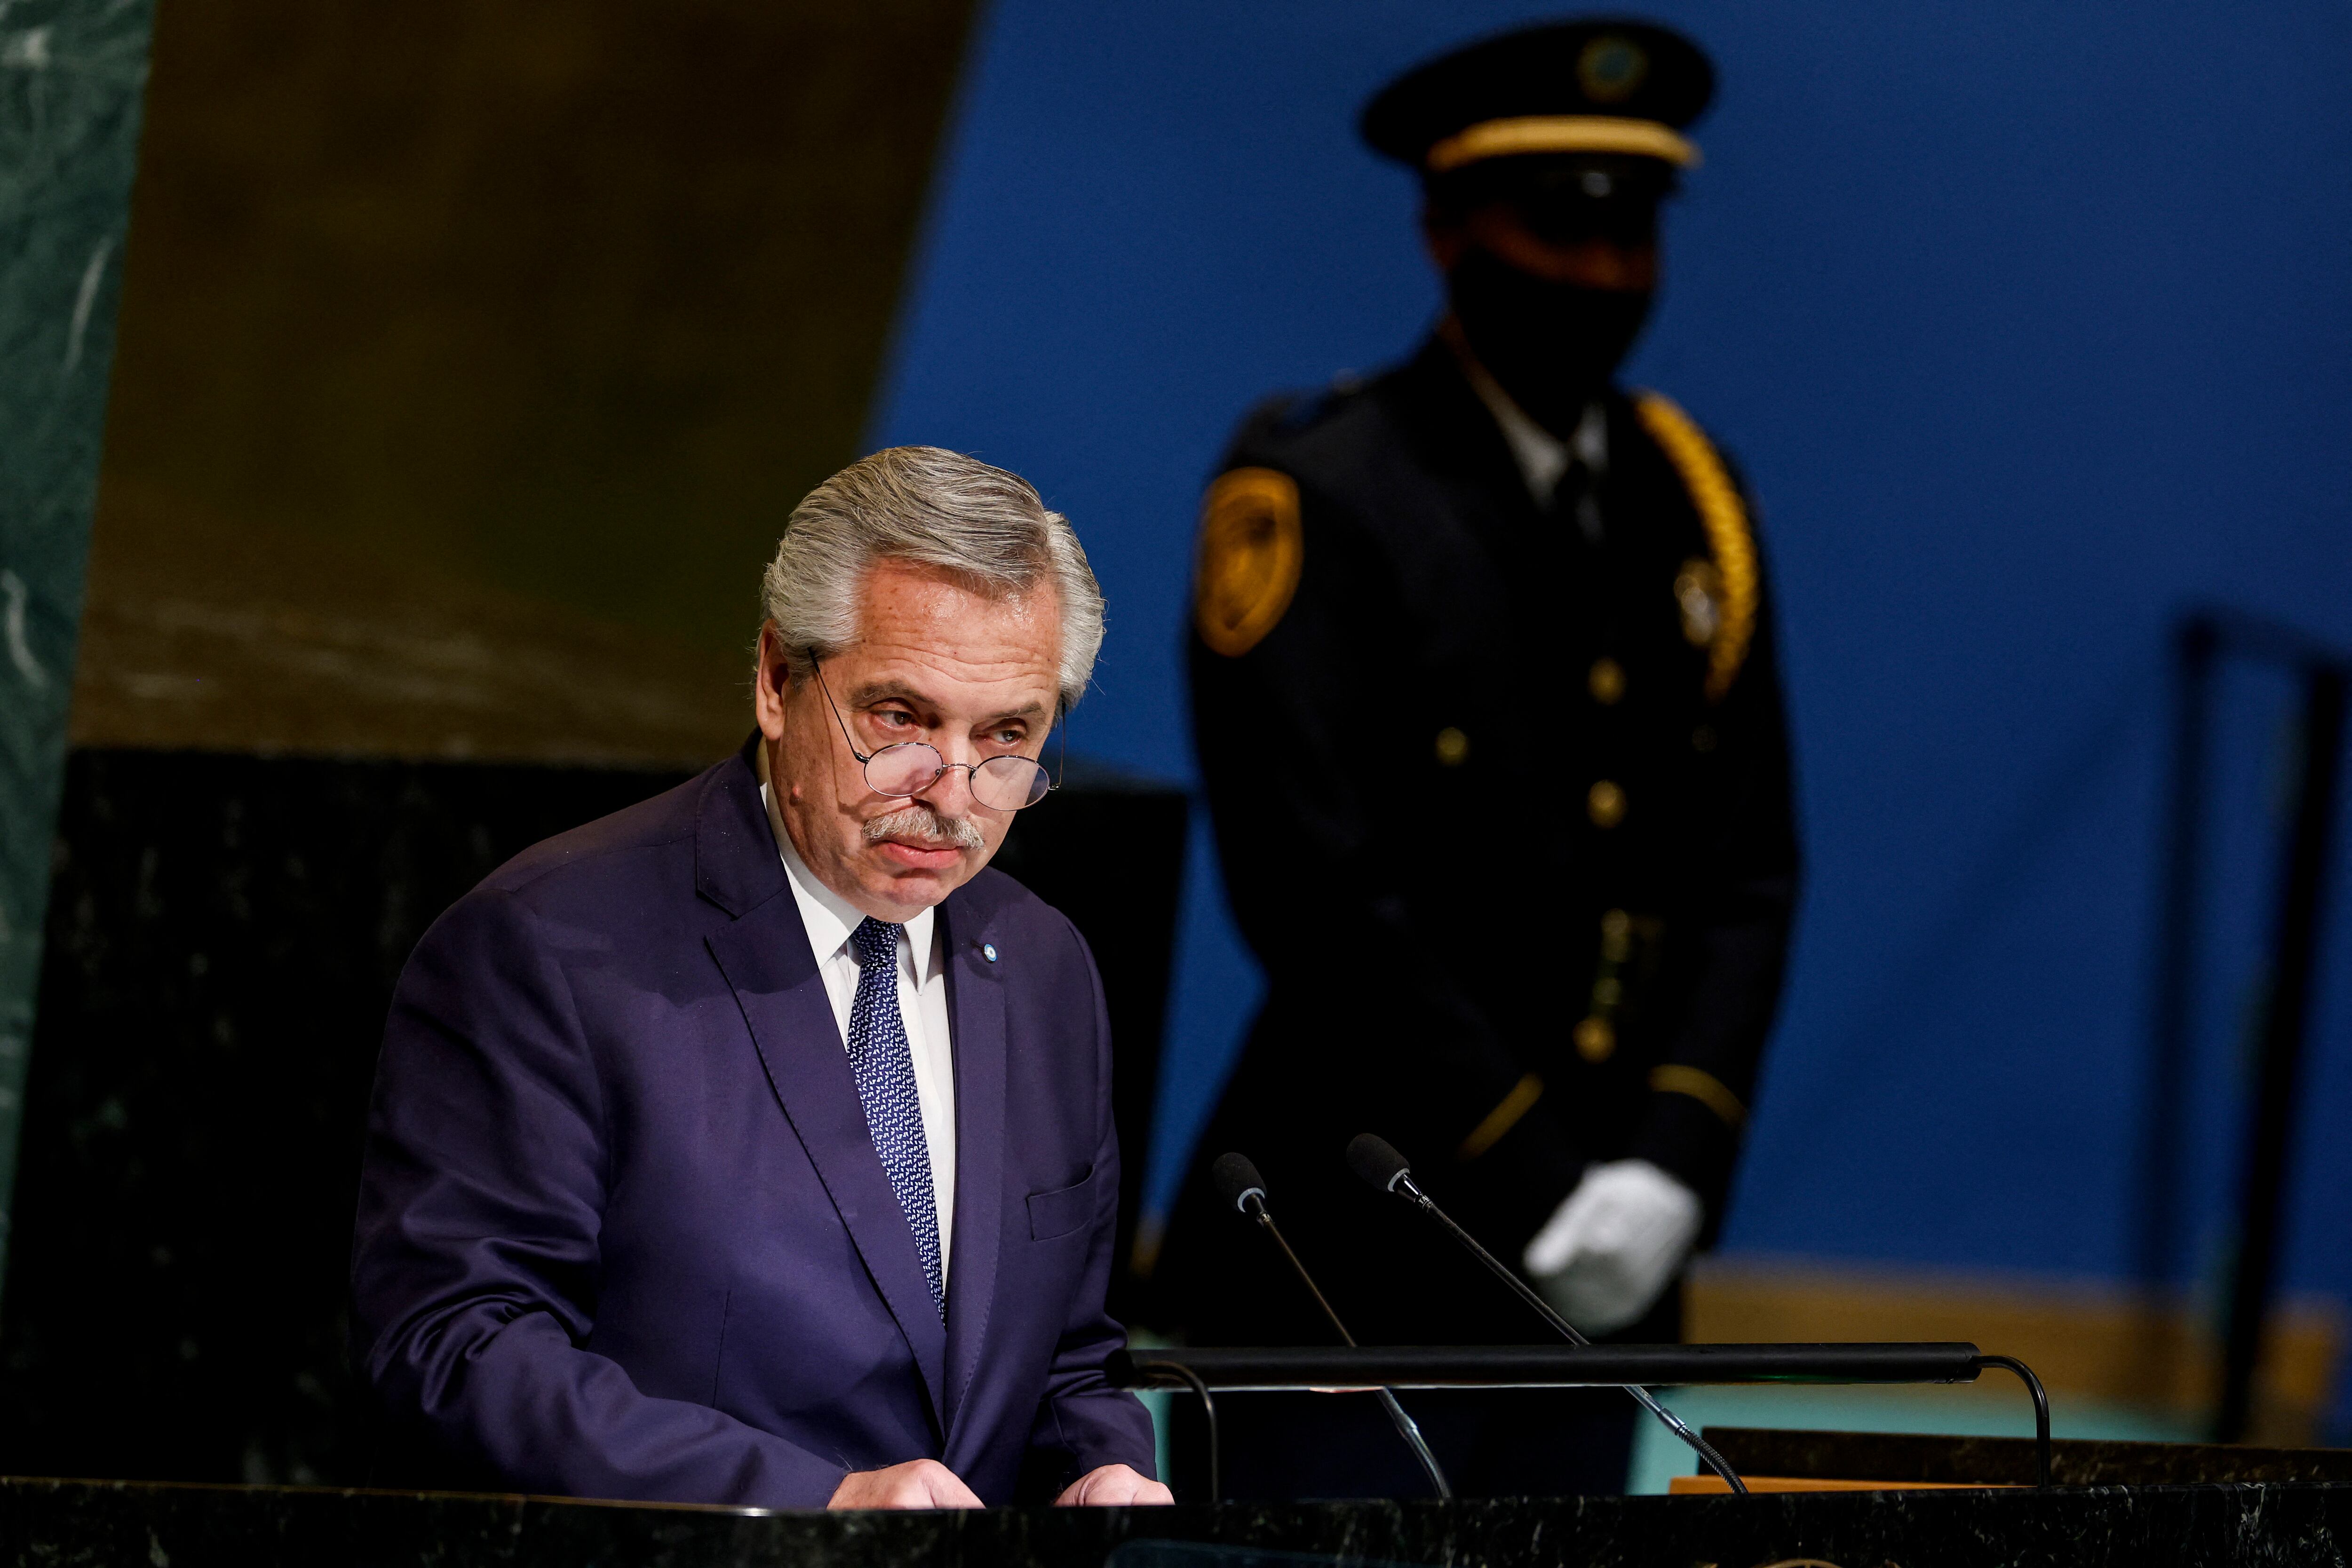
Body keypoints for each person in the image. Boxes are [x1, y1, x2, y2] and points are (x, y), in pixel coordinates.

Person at [1156, 17, 1800, 1498]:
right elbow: (1313, 885)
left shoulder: (1691, 496)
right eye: (1557, 229)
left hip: (1606, 1267)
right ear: (1449, 230)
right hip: (1361, 1245)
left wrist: (1671, 1158)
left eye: (1632, 233)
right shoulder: (1321, 489)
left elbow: (1748, 863)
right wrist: (1538, 1177)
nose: (1602, 273)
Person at [352, 447, 1169, 1510]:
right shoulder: (550, 947)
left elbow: (1063, 1356)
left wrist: (1101, 1468)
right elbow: (456, 1345)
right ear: (779, 680)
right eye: (900, 719)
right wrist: (814, 1504)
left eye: (1006, 735)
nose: (952, 794)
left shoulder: (1044, 965)